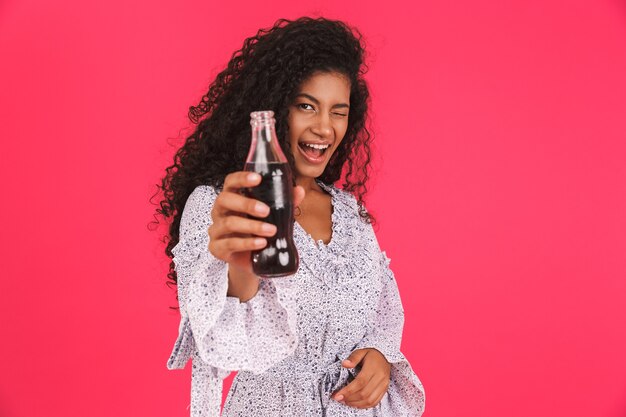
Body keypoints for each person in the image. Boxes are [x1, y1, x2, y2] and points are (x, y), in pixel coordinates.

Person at [156, 16, 425, 417]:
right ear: (272, 109)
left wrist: (381, 359)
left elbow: (382, 314)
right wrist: (239, 268)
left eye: (339, 111)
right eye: (305, 106)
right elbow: (222, 340)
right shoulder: (220, 206)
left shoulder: (351, 214)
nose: (324, 127)